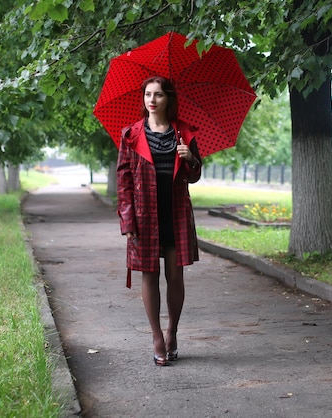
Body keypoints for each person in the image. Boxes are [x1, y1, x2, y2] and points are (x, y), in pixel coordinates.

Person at [116, 76, 202, 366]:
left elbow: (194, 175)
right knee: (149, 275)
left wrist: (190, 158)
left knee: (175, 276)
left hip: (175, 213)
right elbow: (123, 180)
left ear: (168, 99)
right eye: (148, 94)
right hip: (143, 215)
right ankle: (156, 337)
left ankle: (172, 331)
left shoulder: (185, 134)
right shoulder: (130, 135)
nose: (152, 100)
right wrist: (127, 221)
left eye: (158, 95)